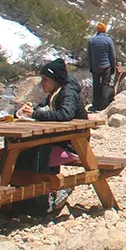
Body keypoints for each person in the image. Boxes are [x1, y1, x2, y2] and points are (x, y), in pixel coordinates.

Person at [13, 58, 87, 214]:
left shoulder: (68, 92)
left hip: (73, 145)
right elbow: (41, 109)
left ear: (55, 80)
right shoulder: (54, 93)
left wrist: (35, 114)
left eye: (45, 80)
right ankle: (21, 197)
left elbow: (65, 113)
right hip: (58, 140)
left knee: (37, 153)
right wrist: (26, 111)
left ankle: (40, 200)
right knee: (21, 150)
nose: (42, 84)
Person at [87, 22, 117, 112]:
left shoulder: (91, 40)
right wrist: (113, 67)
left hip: (95, 66)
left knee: (95, 85)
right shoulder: (108, 40)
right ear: (105, 30)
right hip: (106, 66)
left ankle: (95, 104)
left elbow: (89, 55)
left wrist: (91, 66)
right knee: (105, 85)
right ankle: (104, 105)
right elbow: (112, 55)